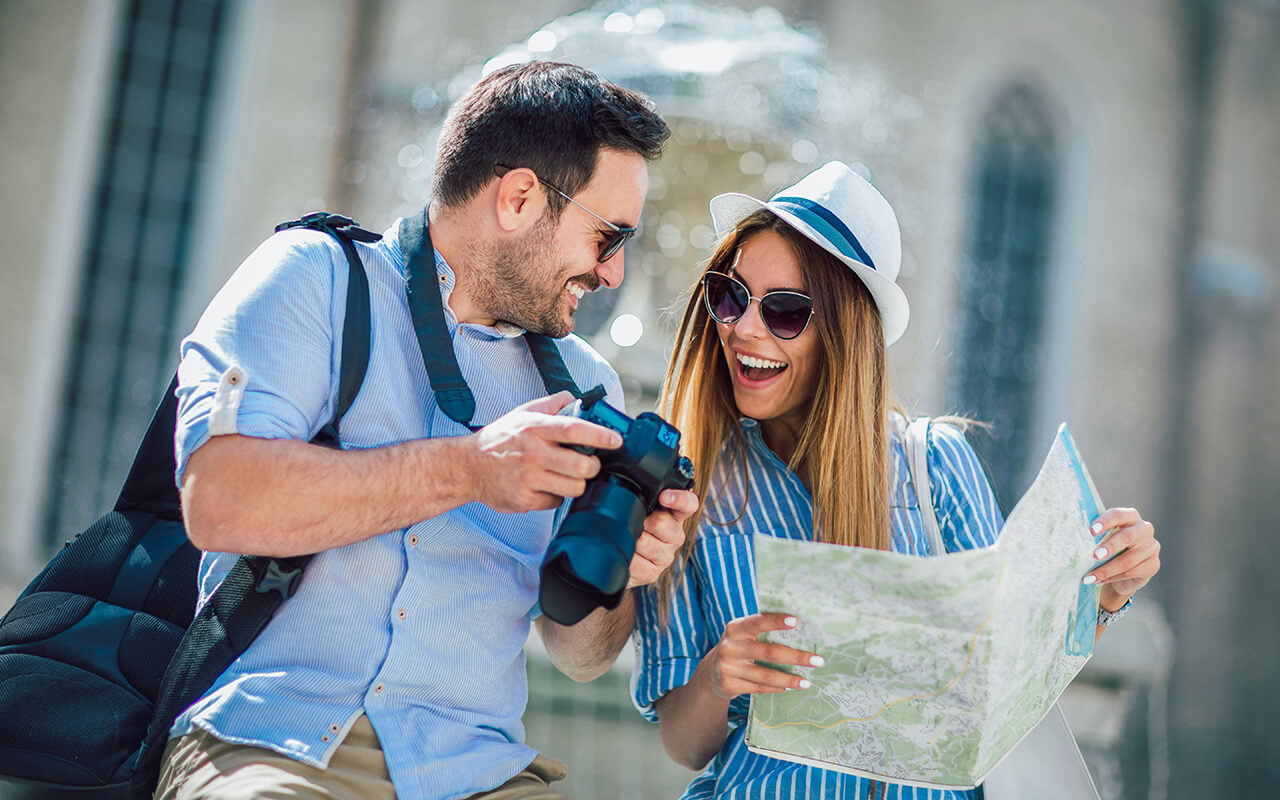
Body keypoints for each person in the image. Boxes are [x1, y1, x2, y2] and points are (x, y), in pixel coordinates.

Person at [156, 61, 697, 800]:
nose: (613, 273)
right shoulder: (315, 278)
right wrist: (471, 468)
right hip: (274, 749)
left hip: (480, 774)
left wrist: (623, 575)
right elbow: (219, 500)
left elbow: (582, 658)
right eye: (607, 237)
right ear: (518, 198)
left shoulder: (585, 387)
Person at [631, 161, 1162, 799]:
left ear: (845, 334)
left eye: (786, 312)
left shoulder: (934, 464)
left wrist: (1104, 597)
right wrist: (719, 673)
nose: (743, 328)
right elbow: (685, 747)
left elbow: (1003, 683)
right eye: (732, 295)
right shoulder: (689, 487)